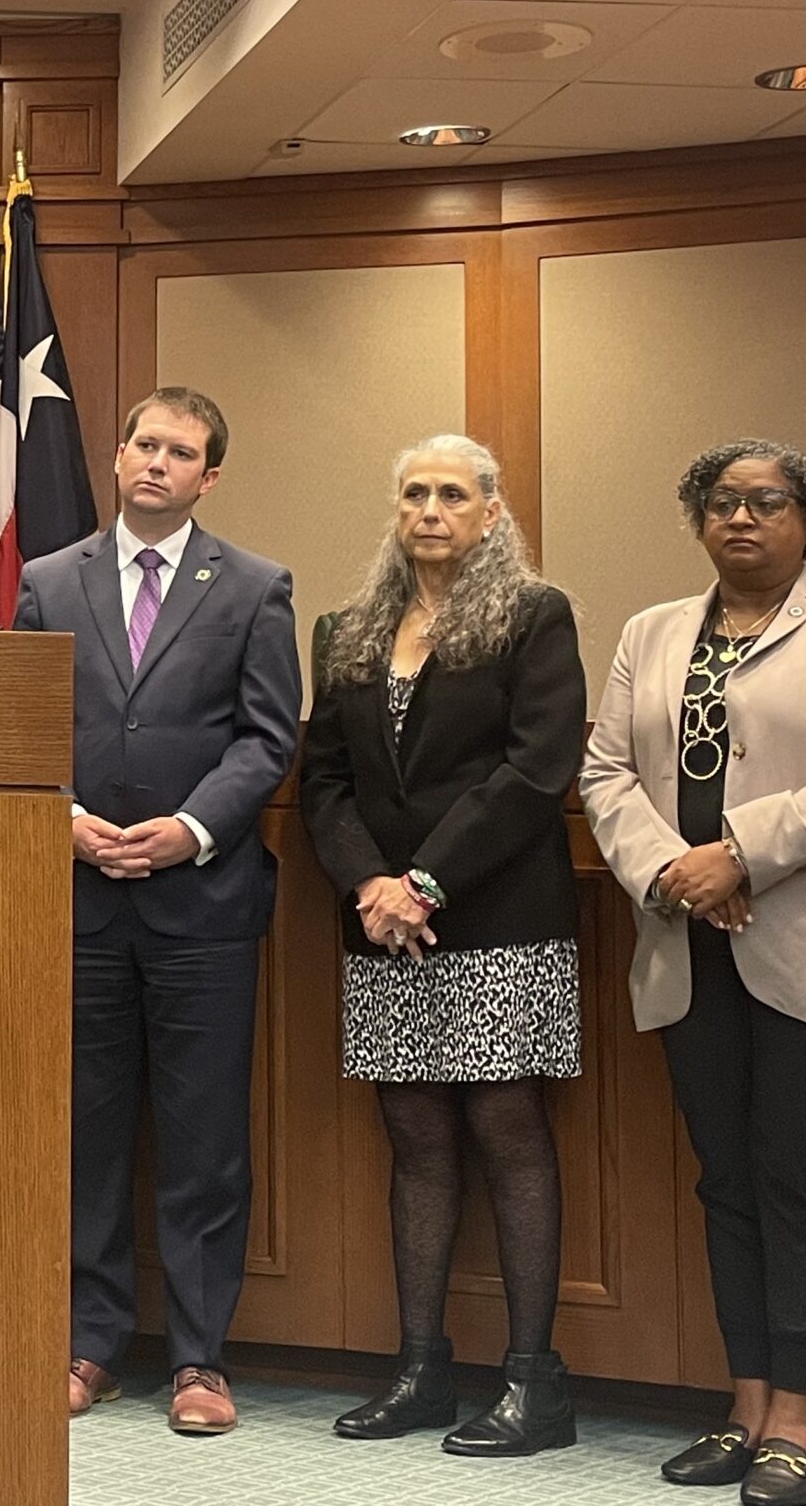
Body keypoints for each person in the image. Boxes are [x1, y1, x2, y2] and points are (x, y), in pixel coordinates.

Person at [581, 441, 806, 1506]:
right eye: (721, 503)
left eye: (766, 502)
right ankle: (743, 1404)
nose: (741, 519)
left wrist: (739, 852)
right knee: (725, 1180)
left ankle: (800, 1420)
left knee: (801, 1180)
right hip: (691, 949)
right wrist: (678, 876)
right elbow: (603, 771)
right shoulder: (651, 632)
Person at [12, 387, 299, 1434]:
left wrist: (189, 830)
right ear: (117, 453)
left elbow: (266, 740)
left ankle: (198, 1361)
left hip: (204, 904)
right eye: (144, 444)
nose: (157, 464)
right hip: (78, 896)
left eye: (182, 453)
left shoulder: (255, 587)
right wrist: (68, 820)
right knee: (83, 1135)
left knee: (202, 1138)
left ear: (207, 475)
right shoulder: (48, 582)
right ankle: (87, 1347)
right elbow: (19, 730)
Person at [298, 436, 586, 1458]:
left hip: (498, 910)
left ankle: (531, 1384)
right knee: (414, 1135)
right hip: (383, 926)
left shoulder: (531, 616)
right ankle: (420, 1370)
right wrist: (371, 884)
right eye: (413, 491)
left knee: (506, 1127)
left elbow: (535, 768)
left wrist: (424, 880)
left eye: (451, 495)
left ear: (490, 514)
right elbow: (323, 779)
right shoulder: (349, 627)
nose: (429, 509)